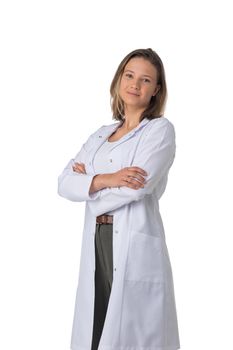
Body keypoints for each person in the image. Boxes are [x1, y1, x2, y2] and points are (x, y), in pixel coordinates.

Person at [57, 48, 180, 350]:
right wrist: (107, 179)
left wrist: (88, 189)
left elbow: (137, 188)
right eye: (129, 75)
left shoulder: (159, 131)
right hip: (99, 239)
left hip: (133, 245)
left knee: (129, 335)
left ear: (156, 90)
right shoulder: (101, 135)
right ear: (119, 79)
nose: (135, 84)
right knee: (98, 326)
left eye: (146, 79)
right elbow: (64, 183)